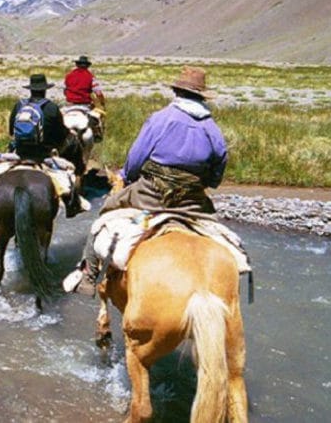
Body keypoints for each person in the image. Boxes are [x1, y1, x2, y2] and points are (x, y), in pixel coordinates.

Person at [70, 65, 227, 294]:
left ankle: (89, 276)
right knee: (216, 229)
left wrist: (128, 176)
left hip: (152, 193)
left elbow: (137, 156)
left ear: (178, 92)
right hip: (191, 200)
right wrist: (206, 183)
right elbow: (219, 165)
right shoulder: (211, 127)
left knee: (105, 213)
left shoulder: (161, 118)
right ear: (201, 96)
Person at [7, 74, 83, 217]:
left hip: (20, 153)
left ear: (30, 89)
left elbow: (11, 131)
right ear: (45, 90)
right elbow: (61, 136)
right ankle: (72, 205)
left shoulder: (19, 105)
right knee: (71, 166)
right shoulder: (51, 107)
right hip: (43, 155)